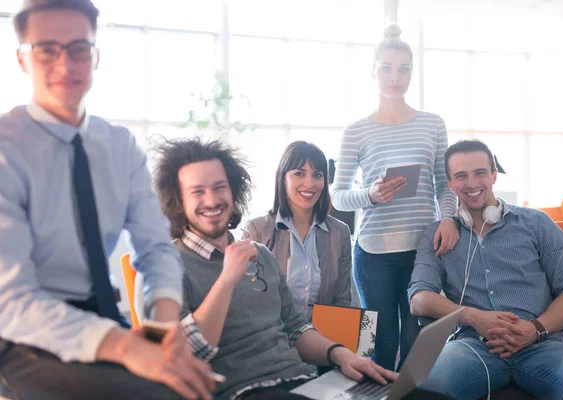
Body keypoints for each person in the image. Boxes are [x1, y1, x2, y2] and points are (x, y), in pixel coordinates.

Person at [136, 137, 462, 400]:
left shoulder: (260, 255)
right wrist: (226, 280)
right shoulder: (163, 266)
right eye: (197, 191)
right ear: (177, 201)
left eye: (220, 187)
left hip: (304, 381)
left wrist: (341, 355)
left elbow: (296, 328)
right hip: (245, 390)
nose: (212, 199)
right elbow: (177, 355)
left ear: (234, 191)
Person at [0, 1, 214, 399]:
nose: (66, 64)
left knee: (192, 383)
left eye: (79, 48)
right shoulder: (6, 149)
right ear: (22, 59)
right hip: (20, 333)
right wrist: (126, 347)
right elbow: (9, 299)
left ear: (95, 57)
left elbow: (155, 247)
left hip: (101, 315)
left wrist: (163, 330)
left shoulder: (118, 146)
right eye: (47, 49)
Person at [408, 139, 563, 399]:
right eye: (461, 176)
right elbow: (419, 299)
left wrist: (534, 329)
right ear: (450, 183)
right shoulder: (438, 235)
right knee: (421, 387)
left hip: (544, 343)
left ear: (494, 175)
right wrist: (475, 318)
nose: (472, 183)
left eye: (480, 173)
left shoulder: (537, 223)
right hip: (473, 346)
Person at [330, 23, 458, 370]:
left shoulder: (433, 123)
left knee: (417, 343)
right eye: (386, 68)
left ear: (412, 73)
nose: (394, 77)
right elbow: (337, 196)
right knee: (378, 344)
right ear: (373, 72)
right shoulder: (356, 130)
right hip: (373, 253)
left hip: (423, 249)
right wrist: (370, 194)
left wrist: (448, 218)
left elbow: (443, 185)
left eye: (403, 69)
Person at [242, 141, 352, 320]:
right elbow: (249, 299)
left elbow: (341, 301)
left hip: (321, 338)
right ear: (283, 178)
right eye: (299, 174)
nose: (310, 183)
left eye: (317, 175)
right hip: (274, 336)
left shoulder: (340, 233)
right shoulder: (257, 230)